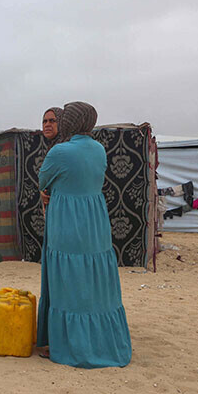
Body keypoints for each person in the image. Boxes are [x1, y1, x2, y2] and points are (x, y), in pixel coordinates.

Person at [36, 101, 132, 368]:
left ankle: (67, 344)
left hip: (67, 220)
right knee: (93, 279)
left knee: (67, 280)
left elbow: (44, 181)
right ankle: (101, 340)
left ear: (69, 123)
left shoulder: (60, 152)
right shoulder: (99, 150)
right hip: (95, 220)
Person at [39, 107, 64, 208]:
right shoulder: (51, 147)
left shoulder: (65, 147)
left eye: (52, 121)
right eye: (44, 121)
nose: (47, 124)